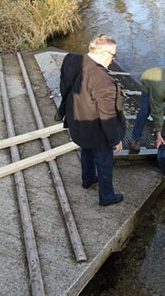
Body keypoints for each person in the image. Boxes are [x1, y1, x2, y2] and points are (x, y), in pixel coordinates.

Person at [63, 34, 126, 206]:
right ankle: (106, 196)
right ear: (104, 53)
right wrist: (116, 140)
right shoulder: (103, 81)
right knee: (104, 161)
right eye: (113, 56)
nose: (113, 60)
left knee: (86, 149)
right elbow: (108, 116)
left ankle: (88, 179)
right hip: (97, 129)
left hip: (78, 121)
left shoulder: (71, 60)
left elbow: (64, 85)